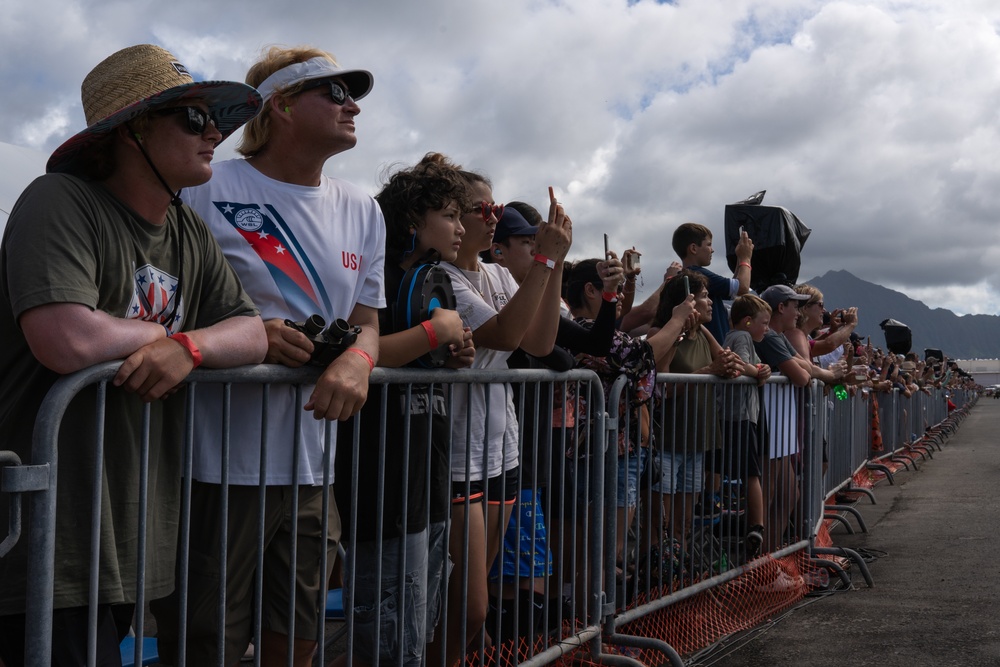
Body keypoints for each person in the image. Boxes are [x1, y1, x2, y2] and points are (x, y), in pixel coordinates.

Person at [0, 44, 267, 666]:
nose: (216, 135)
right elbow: (66, 339)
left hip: (125, 531)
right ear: (133, 130)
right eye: (194, 119)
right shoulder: (58, 200)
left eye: (217, 121)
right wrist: (161, 338)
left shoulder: (187, 229)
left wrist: (192, 346)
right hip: (47, 530)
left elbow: (251, 331)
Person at [151, 46, 384, 666]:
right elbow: (160, 301)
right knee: (207, 642)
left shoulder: (363, 208)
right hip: (215, 461)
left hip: (314, 466)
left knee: (300, 636)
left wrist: (357, 361)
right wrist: (251, 335)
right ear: (279, 105)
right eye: (333, 93)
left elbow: (367, 322)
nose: (353, 105)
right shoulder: (208, 185)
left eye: (352, 94)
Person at [333, 153, 475, 667]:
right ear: (414, 218)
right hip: (383, 489)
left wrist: (453, 352)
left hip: (428, 484)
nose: (462, 228)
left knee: (418, 631)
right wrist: (435, 334)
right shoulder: (374, 278)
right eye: (452, 216)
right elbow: (359, 354)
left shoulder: (434, 280)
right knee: (389, 644)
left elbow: (424, 352)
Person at [435, 173, 571, 667]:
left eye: (495, 208)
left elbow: (540, 343)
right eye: (481, 209)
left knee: (473, 608)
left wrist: (550, 263)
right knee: (467, 608)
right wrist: (545, 258)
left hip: (501, 448)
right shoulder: (443, 278)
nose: (494, 217)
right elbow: (508, 336)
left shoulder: (497, 277)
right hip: (459, 452)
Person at [563, 260, 700, 587]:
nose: (620, 294)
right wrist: (677, 318)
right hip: (601, 454)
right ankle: (590, 628)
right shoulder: (582, 330)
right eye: (610, 284)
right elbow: (642, 353)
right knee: (601, 550)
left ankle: (594, 626)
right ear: (591, 290)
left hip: (615, 451)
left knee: (608, 549)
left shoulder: (596, 331)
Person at [647, 270, 742, 582]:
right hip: (669, 440)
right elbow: (662, 388)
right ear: (685, 301)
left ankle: (679, 577)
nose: (710, 301)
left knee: (685, 521)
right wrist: (710, 370)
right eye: (703, 295)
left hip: (696, 439)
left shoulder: (702, 332)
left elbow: (726, 360)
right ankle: (659, 581)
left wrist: (756, 370)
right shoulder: (661, 332)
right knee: (661, 523)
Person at [755, 285, 846, 551]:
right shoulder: (781, 336)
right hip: (775, 425)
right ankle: (761, 563)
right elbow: (804, 375)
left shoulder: (782, 335)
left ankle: (771, 560)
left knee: (788, 494)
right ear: (781, 308)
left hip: (785, 428)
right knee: (772, 496)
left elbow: (806, 367)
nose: (799, 311)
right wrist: (831, 376)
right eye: (797, 305)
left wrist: (831, 377)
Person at [719, 294, 772, 560]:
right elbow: (740, 365)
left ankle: (714, 503)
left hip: (732, 415)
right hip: (740, 416)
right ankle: (757, 526)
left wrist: (761, 368)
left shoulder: (736, 337)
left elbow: (750, 364)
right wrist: (758, 372)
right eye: (764, 322)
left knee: (719, 467)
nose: (767, 328)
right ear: (748, 321)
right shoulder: (743, 338)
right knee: (752, 473)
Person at [672, 222, 754, 345]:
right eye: (709, 245)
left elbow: (734, 288)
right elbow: (742, 288)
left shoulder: (690, 274)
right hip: (712, 347)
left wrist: (739, 258)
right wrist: (746, 258)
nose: (712, 250)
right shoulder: (697, 273)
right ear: (693, 248)